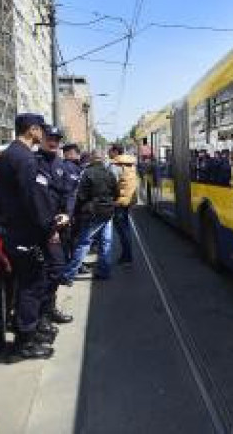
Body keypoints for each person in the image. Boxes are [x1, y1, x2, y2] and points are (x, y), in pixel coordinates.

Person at [0, 113, 59, 360]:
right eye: (41, 129)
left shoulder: (10, 154)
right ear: (32, 130)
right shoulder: (24, 158)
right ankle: (24, 344)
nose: (43, 133)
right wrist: (50, 227)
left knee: (27, 285)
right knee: (31, 286)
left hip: (14, 230)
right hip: (26, 234)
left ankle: (28, 333)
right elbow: (33, 200)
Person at [34, 126, 74, 340]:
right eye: (50, 138)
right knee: (50, 270)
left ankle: (49, 308)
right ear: (41, 138)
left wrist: (67, 213)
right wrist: (51, 226)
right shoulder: (33, 162)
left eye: (56, 139)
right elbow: (37, 198)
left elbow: (68, 192)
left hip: (61, 225)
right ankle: (41, 317)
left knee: (58, 269)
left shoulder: (61, 164)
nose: (53, 142)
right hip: (44, 228)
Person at [62, 151, 118, 281]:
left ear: (92, 159)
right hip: (108, 212)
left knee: (84, 243)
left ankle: (68, 275)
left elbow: (81, 196)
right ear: (102, 159)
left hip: (92, 213)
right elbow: (116, 193)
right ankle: (104, 272)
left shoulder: (87, 173)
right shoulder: (109, 173)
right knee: (106, 242)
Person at [112, 154, 138, 265]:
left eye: (110, 152)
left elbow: (113, 184)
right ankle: (127, 255)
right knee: (125, 229)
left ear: (115, 152)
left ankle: (127, 257)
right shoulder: (131, 166)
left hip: (119, 202)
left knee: (122, 230)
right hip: (127, 201)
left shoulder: (118, 167)